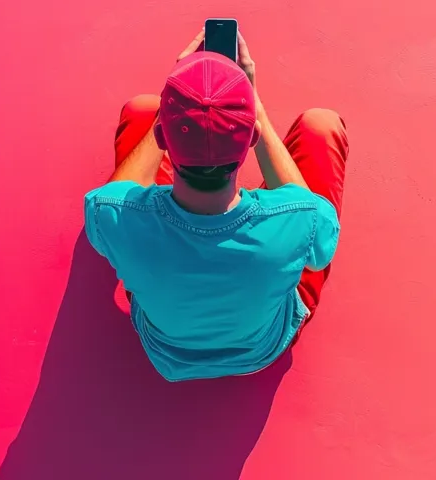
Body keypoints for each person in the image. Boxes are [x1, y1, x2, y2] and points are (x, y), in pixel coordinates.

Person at [83, 29, 349, 382]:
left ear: (164, 136)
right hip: (263, 345)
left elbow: (117, 196)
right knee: (322, 126)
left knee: (140, 110)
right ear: (251, 137)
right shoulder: (303, 218)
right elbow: (318, 246)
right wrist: (257, 112)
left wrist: (173, 107)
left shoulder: (110, 215)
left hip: (166, 347)